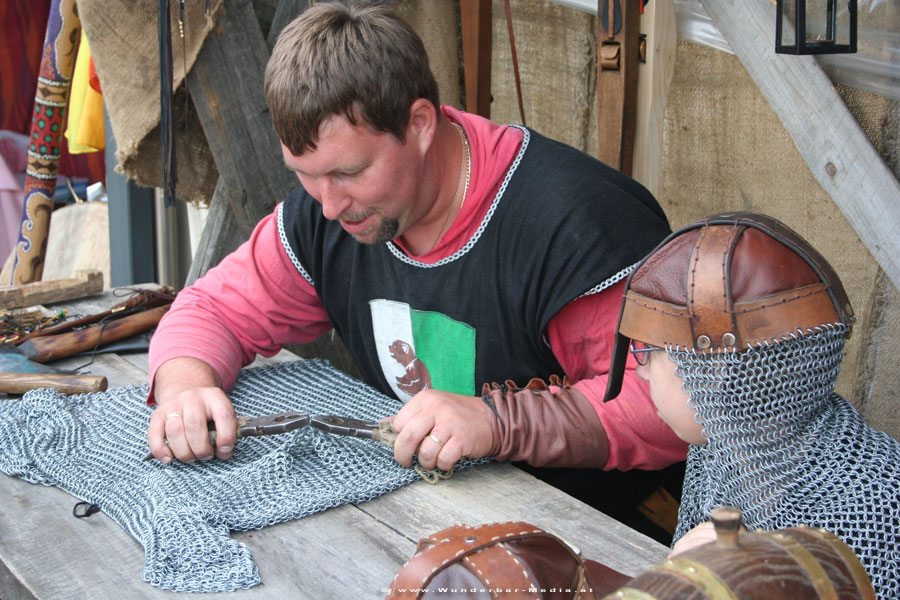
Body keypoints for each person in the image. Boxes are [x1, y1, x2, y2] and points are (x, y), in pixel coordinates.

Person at [145, 1, 687, 532]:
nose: (329, 205)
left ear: (422, 123)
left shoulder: (573, 225)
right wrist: (186, 391)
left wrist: (500, 422)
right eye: (306, 174)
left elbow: (670, 407)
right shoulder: (324, 218)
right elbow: (212, 309)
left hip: (614, 535)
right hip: (429, 523)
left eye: (350, 171)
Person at [602, 211, 900, 597]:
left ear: (713, 368)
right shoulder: (721, 452)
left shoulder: (870, 506)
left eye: (649, 351)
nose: (640, 373)